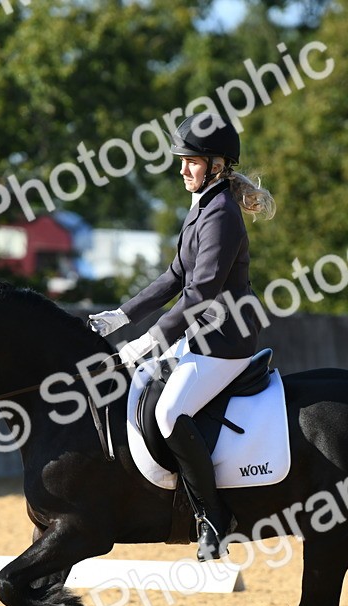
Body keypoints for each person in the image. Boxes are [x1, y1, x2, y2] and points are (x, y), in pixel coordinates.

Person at [88, 112, 276, 560]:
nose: (182, 169)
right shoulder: (203, 208)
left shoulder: (223, 215)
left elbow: (201, 294)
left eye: (191, 161)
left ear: (216, 165)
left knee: (171, 412)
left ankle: (214, 516)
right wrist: (120, 315)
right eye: (183, 160)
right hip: (198, 339)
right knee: (142, 391)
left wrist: (146, 341)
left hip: (225, 343)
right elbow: (174, 276)